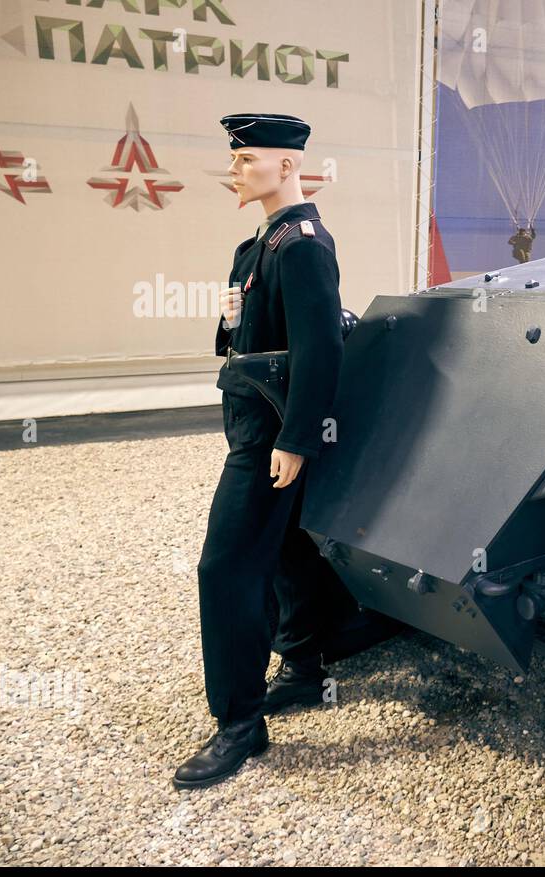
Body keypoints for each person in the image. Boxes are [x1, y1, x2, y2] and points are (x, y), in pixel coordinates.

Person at [173, 112, 349, 789]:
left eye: (246, 161)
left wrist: (298, 440)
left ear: (286, 166)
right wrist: (230, 319)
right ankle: (303, 666)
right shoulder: (259, 246)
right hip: (258, 425)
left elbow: (320, 348)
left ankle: (240, 725)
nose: (235, 171)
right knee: (286, 551)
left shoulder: (302, 243)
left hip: (271, 437)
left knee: (224, 571)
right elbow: (241, 345)